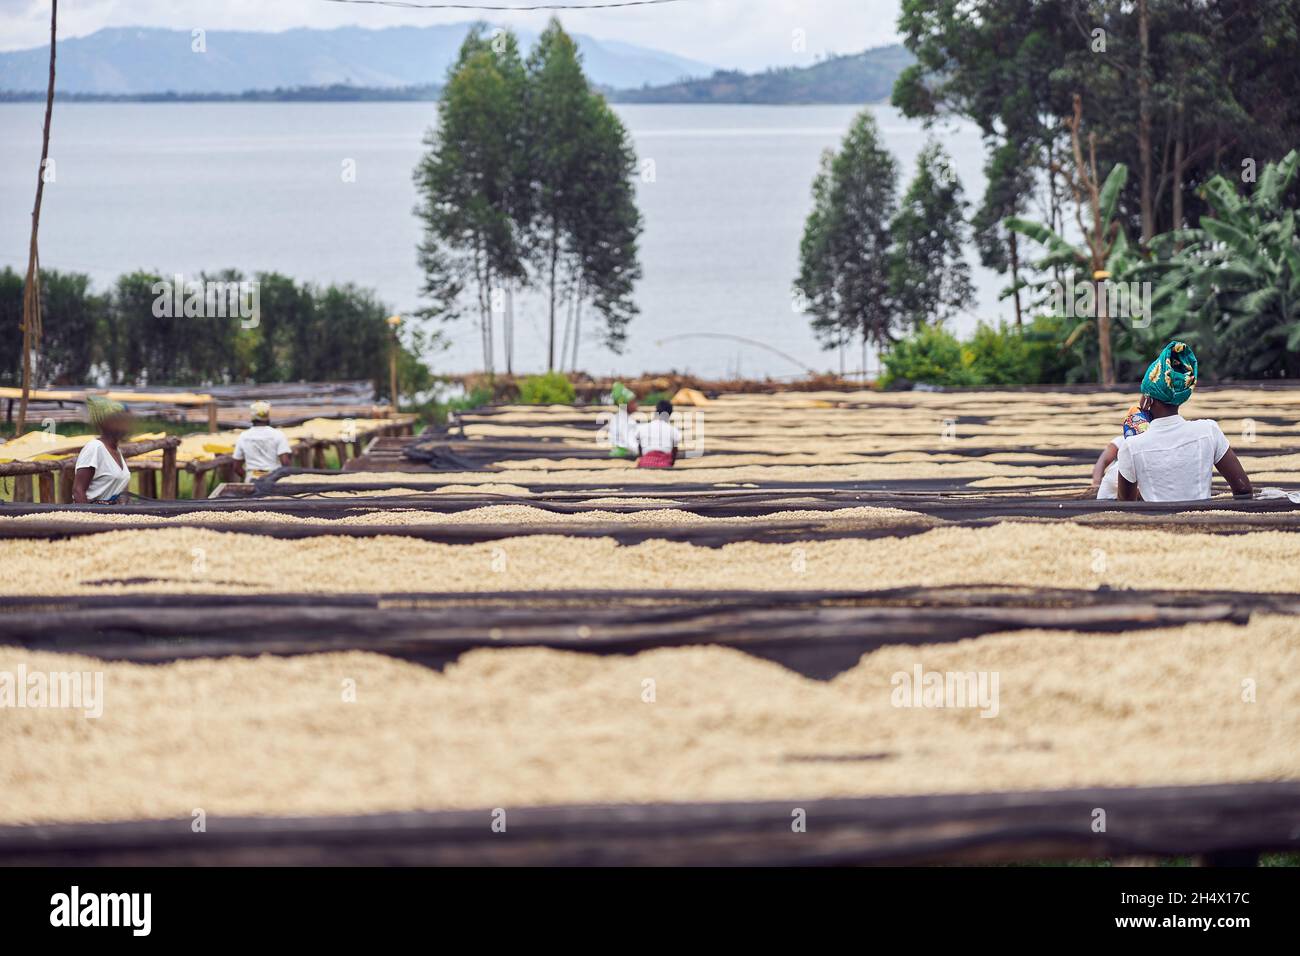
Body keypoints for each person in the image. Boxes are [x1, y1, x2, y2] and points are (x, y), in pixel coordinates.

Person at [1116, 341, 1253, 501]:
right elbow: (1243, 489)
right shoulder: (1208, 431)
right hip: (1205, 525)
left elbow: (1126, 507)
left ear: (1148, 400)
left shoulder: (1132, 447)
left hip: (1156, 526)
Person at [72, 396, 134, 504]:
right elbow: (78, 491)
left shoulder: (116, 451)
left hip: (111, 515)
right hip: (94, 516)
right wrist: (88, 518)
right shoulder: (95, 448)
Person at [1089, 402, 1150, 499]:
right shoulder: (1120, 441)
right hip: (1112, 494)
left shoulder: (1150, 445)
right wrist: (1096, 483)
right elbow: (1102, 461)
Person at [232, 400, 292, 480]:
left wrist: (248, 477)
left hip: (252, 477)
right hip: (274, 479)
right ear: (267, 416)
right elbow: (285, 463)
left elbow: (236, 467)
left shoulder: (243, 436)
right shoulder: (278, 435)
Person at [634, 399, 682, 469]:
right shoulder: (673, 430)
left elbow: (640, 447)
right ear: (670, 414)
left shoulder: (642, 428)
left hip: (645, 462)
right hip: (664, 463)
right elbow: (674, 452)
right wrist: (671, 464)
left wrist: (642, 458)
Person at [607, 382, 639, 459]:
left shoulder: (620, 417)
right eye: (633, 402)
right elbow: (631, 443)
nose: (636, 405)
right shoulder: (623, 420)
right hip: (624, 454)